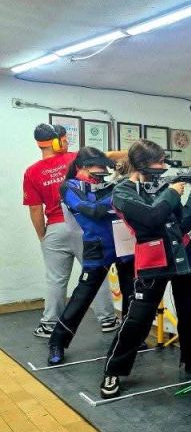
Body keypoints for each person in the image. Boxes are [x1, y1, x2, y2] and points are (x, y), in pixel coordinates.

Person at [100, 139, 191, 399]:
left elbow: (183, 224)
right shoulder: (123, 192)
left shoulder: (162, 185)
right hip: (154, 260)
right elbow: (151, 218)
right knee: (137, 319)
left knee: (190, 312)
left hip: (184, 256)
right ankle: (113, 370)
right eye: (159, 162)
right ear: (143, 164)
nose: (163, 167)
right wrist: (172, 192)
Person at [23, 124, 117, 338]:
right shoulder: (74, 159)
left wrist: (43, 235)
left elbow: (35, 209)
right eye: (64, 139)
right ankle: (108, 320)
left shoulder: (31, 172)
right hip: (82, 225)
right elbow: (108, 156)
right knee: (95, 272)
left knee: (55, 279)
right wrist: (133, 153)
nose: (66, 142)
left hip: (54, 229)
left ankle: (49, 324)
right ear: (56, 142)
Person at [47, 147, 135, 365]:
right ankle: (57, 342)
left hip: (123, 244)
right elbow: (92, 209)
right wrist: (120, 191)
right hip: (97, 247)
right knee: (82, 297)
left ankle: (129, 338)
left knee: (131, 294)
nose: (100, 172)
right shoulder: (69, 186)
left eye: (103, 168)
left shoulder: (109, 185)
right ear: (81, 167)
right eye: (96, 168)